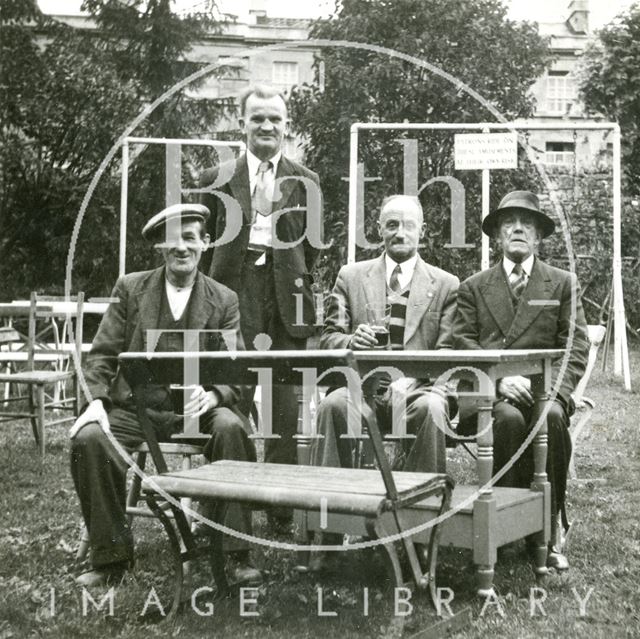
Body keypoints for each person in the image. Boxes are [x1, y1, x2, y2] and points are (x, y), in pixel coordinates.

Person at [70, 204, 261, 587]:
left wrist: (215, 395)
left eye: (190, 239)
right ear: (160, 247)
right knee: (88, 438)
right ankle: (111, 559)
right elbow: (103, 353)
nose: (182, 248)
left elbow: (237, 366)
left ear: (205, 244)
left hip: (195, 411)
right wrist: (95, 402)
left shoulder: (224, 299)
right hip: (136, 407)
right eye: (172, 241)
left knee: (232, 430)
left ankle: (236, 556)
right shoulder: (130, 288)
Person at [453, 190, 589, 571]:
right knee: (508, 420)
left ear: (538, 237)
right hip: (490, 392)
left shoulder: (562, 283)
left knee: (551, 418)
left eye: (526, 224)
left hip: (543, 389)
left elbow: (575, 345)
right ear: (497, 235)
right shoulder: (474, 286)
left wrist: (553, 391)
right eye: (508, 223)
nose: (517, 229)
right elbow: (462, 343)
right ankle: (504, 525)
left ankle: (545, 532)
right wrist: (497, 382)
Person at [199, 86, 322, 506]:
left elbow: (315, 248)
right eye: (257, 119)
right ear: (243, 125)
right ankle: (239, 495)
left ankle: (280, 502)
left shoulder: (307, 182)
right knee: (234, 391)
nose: (266, 126)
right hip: (233, 294)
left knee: (285, 404)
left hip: (287, 296)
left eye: (275, 119)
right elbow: (203, 244)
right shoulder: (215, 179)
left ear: (287, 126)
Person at [311, 194, 459, 475]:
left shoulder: (446, 285)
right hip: (361, 388)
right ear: (379, 229)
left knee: (432, 408)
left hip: (419, 391)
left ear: (422, 231)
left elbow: (448, 351)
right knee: (332, 405)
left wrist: (414, 378)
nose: (400, 233)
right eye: (392, 225)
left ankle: (421, 505)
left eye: (408, 225)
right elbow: (329, 338)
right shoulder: (350, 277)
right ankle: (331, 507)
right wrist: (351, 341)